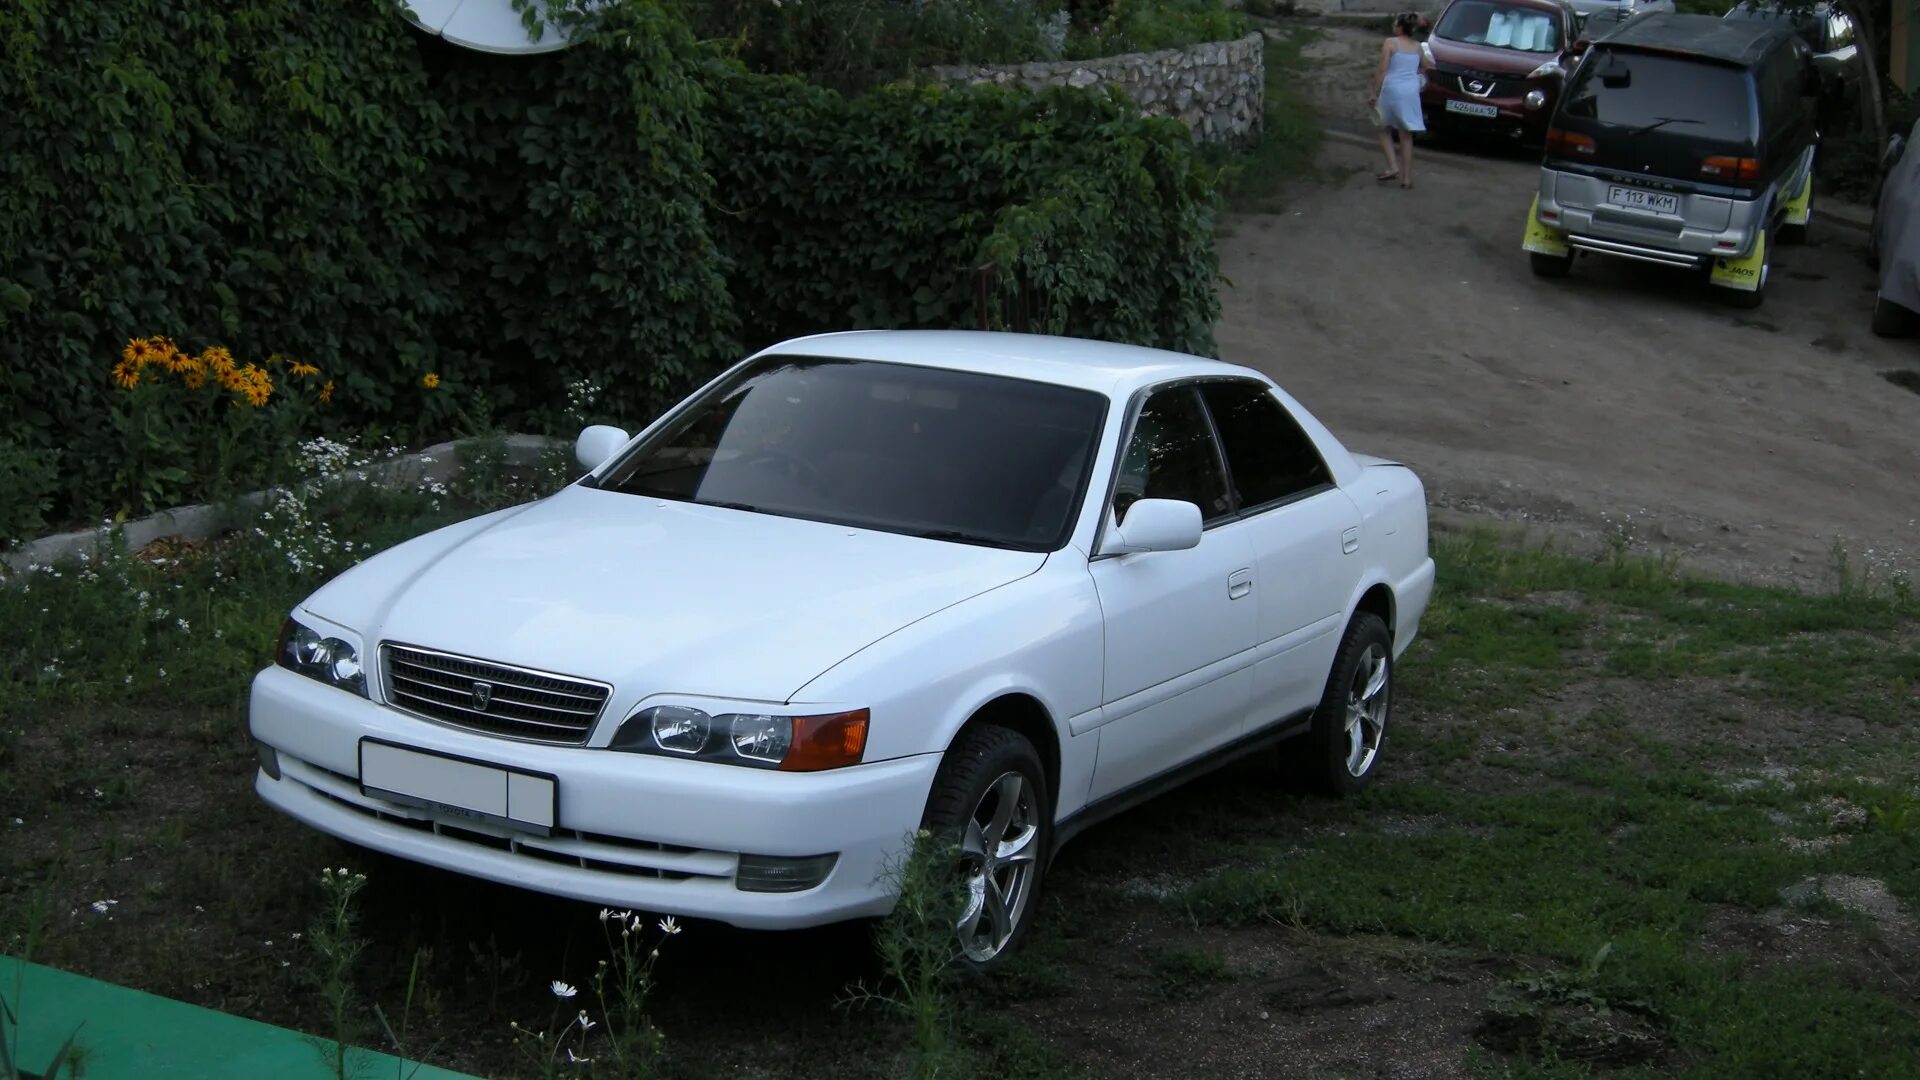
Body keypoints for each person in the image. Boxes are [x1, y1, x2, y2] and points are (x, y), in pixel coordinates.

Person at [1369, 12, 1431, 189]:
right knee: (1406, 135)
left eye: (1395, 24)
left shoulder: (1391, 43)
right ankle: (1407, 179)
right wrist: (1420, 78)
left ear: (1401, 27)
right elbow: (1426, 66)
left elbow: (1382, 70)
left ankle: (1392, 167)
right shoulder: (1418, 47)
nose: (1393, 26)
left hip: (1392, 89)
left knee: (1383, 128)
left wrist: (1373, 92)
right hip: (1411, 92)